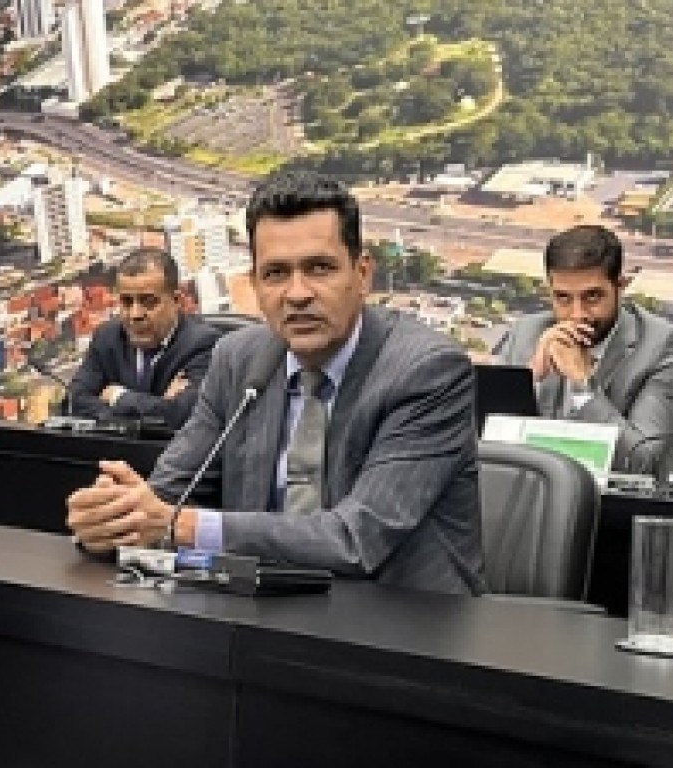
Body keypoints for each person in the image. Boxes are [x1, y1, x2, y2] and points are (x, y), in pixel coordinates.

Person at [67, 171, 485, 595]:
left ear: (362, 275)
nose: (297, 294)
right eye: (276, 273)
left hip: (400, 618)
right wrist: (110, 519)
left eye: (319, 268)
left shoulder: (427, 370)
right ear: (255, 285)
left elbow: (356, 541)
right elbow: (164, 497)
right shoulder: (237, 360)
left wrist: (180, 525)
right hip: (260, 610)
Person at [498, 224, 673, 473]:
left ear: (620, 286)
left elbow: (641, 462)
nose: (577, 314)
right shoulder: (525, 333)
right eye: (563, 298)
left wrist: (583, 384)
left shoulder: (663, 346)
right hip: (541, 489)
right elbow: (486, 441)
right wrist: (528, 381)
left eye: (592, 297)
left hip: (616, 494)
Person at [67, 247, 220, 430]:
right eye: (126, 302)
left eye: (148, 302)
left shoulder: (204, 344)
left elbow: (184, 415)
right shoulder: (107, 337)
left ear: (176, 301)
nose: (135, 314)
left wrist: (118, 397)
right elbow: (76, 399)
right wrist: (156, 409)